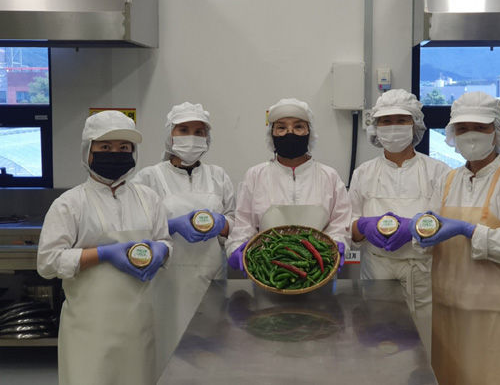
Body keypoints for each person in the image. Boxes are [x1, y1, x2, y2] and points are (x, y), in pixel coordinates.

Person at [411, 92, 500, 385]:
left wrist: (469, 230)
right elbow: (431, 232)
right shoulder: (447, 180)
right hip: (448, 309)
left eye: (480, 128)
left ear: (497, 131)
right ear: (453, 134)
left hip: (496, 314)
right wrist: (420, 232)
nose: (471, 135)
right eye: (463, 128)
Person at [37, 110, 172, 385]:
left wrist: (163, 251)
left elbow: (164, 240)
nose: (116, 153)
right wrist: (103, 254)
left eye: (124, 147)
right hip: (89, 331)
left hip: (138, 327)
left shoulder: (148, 198)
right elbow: (48, 263)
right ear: (88, 152)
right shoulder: (70, 204)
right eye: (105, 147)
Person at [133, 102, 235, 373]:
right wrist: (170, 225)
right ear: (170, 134)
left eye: (199, 131)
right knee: (167, 358)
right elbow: (136, 229)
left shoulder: (219, 176)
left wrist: (223, 224)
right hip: (167, 283)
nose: (192, 137)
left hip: (211, 279)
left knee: (210, 359)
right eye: (184, 130)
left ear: (207, 138)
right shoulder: (148, 178)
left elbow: (235, 223)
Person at [349, 89, 449, 358]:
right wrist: (365, 225)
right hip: (377, 273)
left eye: (401, 120)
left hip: (423, 274)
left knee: (423, 353)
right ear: (375, 127)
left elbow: (448, 227)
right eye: (386, 121)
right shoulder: (363, 173)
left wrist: (414, 230)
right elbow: (350, 229)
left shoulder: (438, 172)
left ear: (415, 125)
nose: (393, 127)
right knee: (380, 350)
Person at [225, 98, 351, 270]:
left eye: (298, 127)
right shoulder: (255, 176)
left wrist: (337, 245)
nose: (289, 133)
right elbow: (243, 227)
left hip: (318, 268)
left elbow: (340, 226)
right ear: (272, 134)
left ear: (309, 133)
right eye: (281, 128)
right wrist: (236, 248)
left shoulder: (329, 176)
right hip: (268, 269)